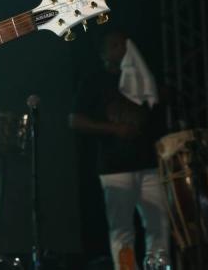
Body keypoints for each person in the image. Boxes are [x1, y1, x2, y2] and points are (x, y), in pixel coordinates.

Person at [69, 28, 170, 270]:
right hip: (115, 167)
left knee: (159, 225)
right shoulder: (94, 81)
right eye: (115, 45)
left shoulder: (143, 77)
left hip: (149, 164)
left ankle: (158, 266)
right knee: (122, 230)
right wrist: (113, 129)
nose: (123, 49)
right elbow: (74, 120)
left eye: (125, 44)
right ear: (103, 53)